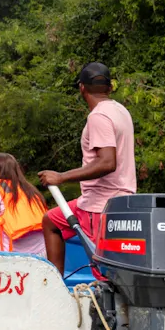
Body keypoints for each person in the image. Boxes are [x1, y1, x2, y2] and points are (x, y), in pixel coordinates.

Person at [38, 62, 136, 273]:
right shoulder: (121, 111)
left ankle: (105, 302)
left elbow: (107, 162)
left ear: (82, 88)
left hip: (98, 206)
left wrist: (61, 177)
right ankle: (57, 285)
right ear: (110, 88)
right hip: (120, 201)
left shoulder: (98, 117)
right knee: (51, 221)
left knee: (103, 272)